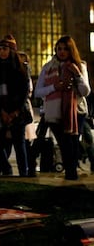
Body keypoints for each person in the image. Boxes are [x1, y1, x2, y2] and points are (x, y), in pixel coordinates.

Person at [34, 35, 90, 180]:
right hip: (54, 112)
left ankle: (71, 174)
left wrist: (77, 75)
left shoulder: (80, 65)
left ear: (71, 50)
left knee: (72, 143)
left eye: (65, 49)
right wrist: (55, 87)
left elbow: (85, 91)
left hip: (76, 112)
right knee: (65, 145)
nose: (62, 52)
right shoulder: (48, 68)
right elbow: (38, 91)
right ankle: (71, 173)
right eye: (59, 49)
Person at [0, 35, 32, 176]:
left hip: (17, 112)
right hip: (2, 111)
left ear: (12, 50)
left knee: (19, 144)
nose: (2, 51)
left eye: (5, 48)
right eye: (0, 48)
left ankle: (23, 172)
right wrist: (2, 110)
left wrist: (15, 111)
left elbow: (24, 91)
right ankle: (0, 170)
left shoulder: (21, 68)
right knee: (0, 143)